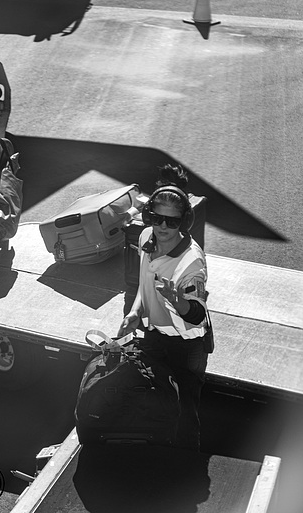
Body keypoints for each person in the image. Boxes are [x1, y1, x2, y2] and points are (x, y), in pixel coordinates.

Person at [118, 164, 209, 452]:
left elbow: (197, 315)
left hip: (187, 346)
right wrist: (135, 312)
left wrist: (176, 299)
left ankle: (186, 465)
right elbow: (144, 285)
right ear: (148, 216)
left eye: (172, 222)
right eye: (157, 218)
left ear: (183, 222)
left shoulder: (192, 261)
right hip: (156, 336)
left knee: (185, 410)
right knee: (158, 400)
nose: (163, 228)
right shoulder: (146, 238)